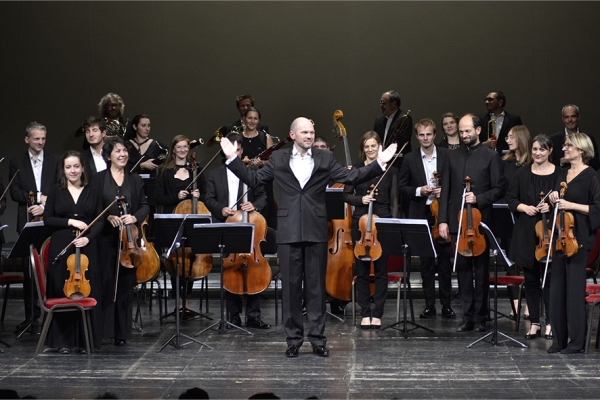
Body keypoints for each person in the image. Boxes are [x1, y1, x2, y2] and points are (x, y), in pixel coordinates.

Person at [219, 117, 397, 357]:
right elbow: (254, 179)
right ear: (292, 135)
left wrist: (380, 164)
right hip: (289, 230)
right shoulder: (279, 159)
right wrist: (232, 159)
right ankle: (293, 340)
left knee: (315, 288)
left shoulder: (324, 158)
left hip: (315, 229)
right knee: (291, 288)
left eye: (312, 132)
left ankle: (317, 339)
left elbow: (351, 178)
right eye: (304, 132)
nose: (309, 136)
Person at [438, 114, 505, 332]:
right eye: (462, 131)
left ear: (478, 130)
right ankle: (467, 316)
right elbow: (446, 190)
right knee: (463, 270)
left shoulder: (490, 156)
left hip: (480, 224)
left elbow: (499, 189)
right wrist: (443, 221)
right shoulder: (451, 156)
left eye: (468, 131)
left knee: (482, 271)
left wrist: (479, 198)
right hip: (457, 222)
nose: (464, 135)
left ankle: (481, 317)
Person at [205, 133, 270, 329]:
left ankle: (253, 317)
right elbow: (209, 198)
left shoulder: (251, 172)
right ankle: (233, 316)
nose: (236, 152)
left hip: (250, 225)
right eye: (232, 149)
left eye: (239, 149)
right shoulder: (215, 174)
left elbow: (263, 196)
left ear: (241, 151)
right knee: (230, 268)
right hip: (228, 224)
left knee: (254, 269)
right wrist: (221, 209)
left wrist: (254, 205)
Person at [44, 151, 103, 353]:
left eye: (76, 166)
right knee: (63, 290)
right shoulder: (55, 190)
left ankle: (87, 341)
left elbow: (100, 220)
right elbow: (48, 219)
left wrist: (88, 237)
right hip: (62, 245)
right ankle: (63, 342)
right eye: (68, 167)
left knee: (87, 289)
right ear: (63, 169)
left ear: (82, 168)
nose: (72, 171)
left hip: (87, 246)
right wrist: (70, 221)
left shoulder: (93, 190)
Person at [92, 137, 150, 346]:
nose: (123, 154)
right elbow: (93, 207)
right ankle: (102, 329)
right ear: (108, 156)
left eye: (124, 151)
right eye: (118, 151)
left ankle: (121, 333)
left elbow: (144, 205)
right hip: (105, 239)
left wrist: (134, 217)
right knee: (105, 283)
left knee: (125, 286)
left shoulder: (135, 179)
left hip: (129, 241)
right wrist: (107, 217)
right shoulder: (97, 180)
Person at [547, 133, 600, 354]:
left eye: (569, 145)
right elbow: (556, 202)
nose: (565, 148)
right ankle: (559, 340)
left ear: (580, 149)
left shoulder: (591, 177)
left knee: (574, 292)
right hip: (560, 238)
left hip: (578, 240)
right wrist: (553, 199)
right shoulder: (561, 174)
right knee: (557, 291)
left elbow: (596, 209)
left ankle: (577, 342)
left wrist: (571, 205)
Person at [398, 118, 455, 319]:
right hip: (421, 216)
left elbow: (455, 183)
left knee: (445, 263)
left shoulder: (447, 156)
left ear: (434, 135)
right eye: (421, 135)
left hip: (443, 216)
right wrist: (419, 190)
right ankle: (430, 305)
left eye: (428, 134)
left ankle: (447, 305)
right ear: (416, 136)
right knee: (426, 264)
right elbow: (402, 187)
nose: (425, 138)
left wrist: (444, 191)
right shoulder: (409, 158)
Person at [506, 134, 560, 341]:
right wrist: (524, 207)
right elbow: (511, 199)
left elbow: (565, 197)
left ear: (550, 151)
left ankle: (552, 323)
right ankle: (535, 322)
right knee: (531, 279)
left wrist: (552, 205)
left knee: (550, 280)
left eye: (542, 150)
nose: (538, 153)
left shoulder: (559, 174)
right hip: (527, 230)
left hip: (550, 232)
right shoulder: (522, 173)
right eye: (535, 149)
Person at [342, 131, 398, 329]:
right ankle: (365, 312)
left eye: (373, 146)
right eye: (366, 146)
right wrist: (361, 200)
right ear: (362, 149)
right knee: (362, 271)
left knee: (382, 271)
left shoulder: (389, 169)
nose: (370, 150)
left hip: (381, 221)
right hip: (360, 222)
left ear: (379, 147)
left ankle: (378, 312)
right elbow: (346, 195)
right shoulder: (356, 169)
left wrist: (393, 225)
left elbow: (394, 201)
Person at [9, 121, 60, 333]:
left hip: (49, 221)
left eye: (43, 138)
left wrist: (45, 206)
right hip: (28, 222)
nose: (40, 142)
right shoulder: (16, 162)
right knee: (30, 271)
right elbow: (15, 192)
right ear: (27, 139)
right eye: (36, 138)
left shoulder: (55, 160)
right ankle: (32, 318)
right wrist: (38, 197)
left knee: (51, 267)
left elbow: (59, 189)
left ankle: (53, 315)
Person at [155, 134, 206, 313]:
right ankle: (178, 303)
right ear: (173, 150)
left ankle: (187, 303)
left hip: (192, 219)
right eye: (179, 147)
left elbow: (207, 195)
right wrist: (175, 197)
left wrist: (199, 195)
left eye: (185, 147)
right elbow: (158, 197)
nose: (183, 150)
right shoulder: (165, 171)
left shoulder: (196, 169)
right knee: (175, 262)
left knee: (190, 261)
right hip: (173, 219)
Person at [126, 114, 168, 238]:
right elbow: (122, 167)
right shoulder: (126, 145)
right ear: (135, 126)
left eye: (148, 126)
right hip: (131, 185)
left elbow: (171, 153)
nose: (147, 128)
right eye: (143, 125)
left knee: (150, 217)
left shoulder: (156, 144)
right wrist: (142, 166)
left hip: (150, 186)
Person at [373, 90, 413, 217]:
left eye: (383, 103)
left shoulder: (405, 119)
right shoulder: (379, 120)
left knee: (397, 196)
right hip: (382, 162)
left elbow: (403, 141)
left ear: (394, 104)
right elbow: (375, 138)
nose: (381, 105)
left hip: (399, 163)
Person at [236, 107, 277, 229]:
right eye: (249, 118)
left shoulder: (265, 138)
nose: (252, 121)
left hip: (262, 181)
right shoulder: (238, 138)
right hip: (243, 181)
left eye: (255, 118)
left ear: (259, 121)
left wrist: (262, 163)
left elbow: (272, 162)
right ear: (244, 119)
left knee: (265, 211)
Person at [550, 104, 600, 171]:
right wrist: (561, 161)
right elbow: (548, 164)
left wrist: (581, 160)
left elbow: (596, 164)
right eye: (567, 117)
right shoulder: (554, 139)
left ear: (578, 117)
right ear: (563, 119)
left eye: (573, 116)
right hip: (560, 179)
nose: (570, 120)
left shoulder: (589, 138)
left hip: (584, 178)